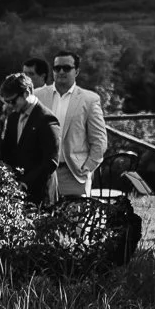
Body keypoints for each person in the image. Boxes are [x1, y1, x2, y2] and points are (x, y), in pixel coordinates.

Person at [42, 49, 109, 200]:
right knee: (43, 222)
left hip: (73, 174)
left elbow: (99, 141)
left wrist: (87, 168)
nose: (61, 71)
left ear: (76, 71)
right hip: (43, 174)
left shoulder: (89, 100)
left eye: (66, 68)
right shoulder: (38, 95)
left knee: (75, 222)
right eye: (57, 68)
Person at [0, 73, 59, 203]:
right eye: (6, 102)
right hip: (16, 194)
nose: (9, 105)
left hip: (40, 193)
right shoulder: (13, 117)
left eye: (12, 101)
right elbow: (8, 152)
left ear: (26, 93)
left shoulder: (46, 119)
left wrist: (25, 183)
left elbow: (50, 161)